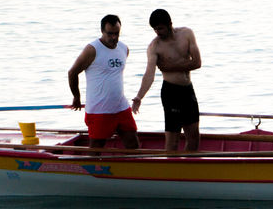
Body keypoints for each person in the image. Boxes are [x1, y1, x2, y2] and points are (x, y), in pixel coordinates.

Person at [132, 8, 203, 152]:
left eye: (160, 28)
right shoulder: (155, 47)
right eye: (155, 29)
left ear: (170, 24)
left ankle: (189, 168)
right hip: (171, 92)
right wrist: (139, 97)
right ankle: (172, 169)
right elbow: (149, 75)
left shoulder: (186, 34)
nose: (157, 32)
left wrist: (170, 67)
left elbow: (197, 63)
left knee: (194, 137)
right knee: (173, 141)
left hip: (188, 90)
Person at [67, 14, 140, 150]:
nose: (113, 37)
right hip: (99, 110)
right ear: (102, 31)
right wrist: (76, 97)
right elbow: (72, 73)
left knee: (133, 143)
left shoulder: (124, 49)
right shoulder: (92, 49)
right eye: (110, 34)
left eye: (116, 33)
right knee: (96, 148)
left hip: (121, 107)